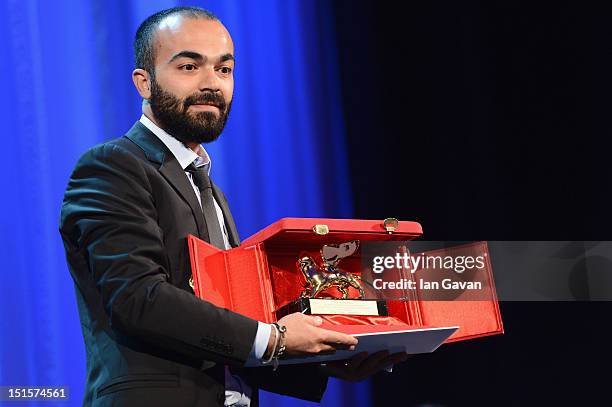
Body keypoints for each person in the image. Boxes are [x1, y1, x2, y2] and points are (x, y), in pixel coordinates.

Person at [59, 6, 408, 406]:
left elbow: (222, 334)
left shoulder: (209, 190)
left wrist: (324, 357)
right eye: (190, 67)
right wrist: (276, 339)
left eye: (224, 70)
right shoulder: (113, 165)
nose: (212, 84)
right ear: (144, 82)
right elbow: (137, 298)